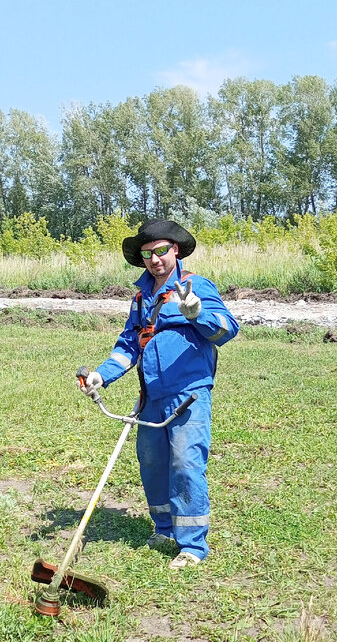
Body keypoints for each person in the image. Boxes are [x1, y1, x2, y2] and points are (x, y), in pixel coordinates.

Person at [80, 218, 238, 569]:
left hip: (189, 395)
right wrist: (101, 376)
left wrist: (197, 314)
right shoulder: (140, 299)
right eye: (148, 254)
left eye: (161, 251)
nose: (155, 259)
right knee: (152, 464)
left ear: (175, 250)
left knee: (185, 464)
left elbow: (228, 329)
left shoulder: (195, 286)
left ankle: (193, 546)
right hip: (150, 397)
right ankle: (164, 528)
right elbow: (127, 345)